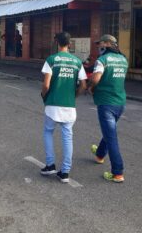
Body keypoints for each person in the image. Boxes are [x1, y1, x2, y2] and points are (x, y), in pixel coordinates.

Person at [40, 32, 87, 183]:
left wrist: (44, 95)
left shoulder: (51, 60)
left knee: (48, 131)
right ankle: (65, 172)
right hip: (69, 106)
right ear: (69, 43)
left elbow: (46, 85)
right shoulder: (77, 61)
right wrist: (75, 96)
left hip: (53, 104)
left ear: (57, 43)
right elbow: (83, 85)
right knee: (67, 136)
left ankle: (50, 164)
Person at [89, 34, 128, 183]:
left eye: (101, 43)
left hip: (106, 103)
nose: (99, 46)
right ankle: (99, 155)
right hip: (120, 102)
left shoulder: (102, 60)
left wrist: (91, 87)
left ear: (107, 44)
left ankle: (117, 173)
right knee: (109, 131)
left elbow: (96, 78)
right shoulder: (123, 59)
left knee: (111, 137)